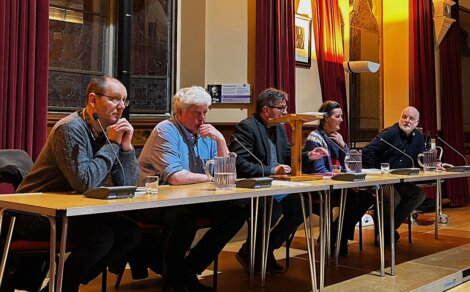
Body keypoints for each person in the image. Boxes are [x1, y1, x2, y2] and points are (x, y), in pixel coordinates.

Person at [15, 76, 142, 291]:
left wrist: (127, 149)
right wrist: (112, 144)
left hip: (74, 210)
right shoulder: (70, 128)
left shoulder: (108, 131)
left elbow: (128, 186)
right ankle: (64, 286)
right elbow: (84, 182)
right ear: (93, 99)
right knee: (101, 237)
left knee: (131, 232)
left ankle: (60, 285)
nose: (121, 107)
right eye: (114, 99)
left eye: (124, 101)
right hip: (35, 213)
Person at [137, 86, 246, 292]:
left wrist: (221, 140)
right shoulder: (165, 130)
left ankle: (189, 269)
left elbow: (229, 177)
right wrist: (212, 177)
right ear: (180, 113)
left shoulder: (207, 134)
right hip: (155, 200)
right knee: (184, 220)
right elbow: (176, 178)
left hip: (192, 199)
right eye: (197, 113)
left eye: (205, 112)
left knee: (237, 211)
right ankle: (174, 282)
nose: (203, 119)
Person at [229, 88, 328, 273]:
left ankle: (264, 249)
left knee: (302, 207)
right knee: (271, 208)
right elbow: (240, 162)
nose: (285, 112)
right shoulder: (247, 127)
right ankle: (256, 253)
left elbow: (288, 155)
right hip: (255, 187)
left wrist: (308, 156)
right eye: (281, 108)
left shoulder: (280, 127)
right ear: (267, 110)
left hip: (278, 185)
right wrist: (271, 170)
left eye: (285, 107)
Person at [302, 100, 375, 255]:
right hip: (320, 188)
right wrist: (345, 180)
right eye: (338, 116)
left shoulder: (336, 137)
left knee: (367, 197)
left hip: (338, 186)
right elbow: (320, 171)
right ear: (326, 118)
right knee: (353, 199)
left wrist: (343, 147)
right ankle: (338, 238)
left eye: (342, 116)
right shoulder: (314, 139)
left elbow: (353, 165)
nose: (341, 119)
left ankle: (335, 235)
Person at [362, 106, 427, 242]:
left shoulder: (419, 138)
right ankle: (386, 232)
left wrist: (435, 164)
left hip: (401, 180)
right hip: (383, 179)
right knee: (393, 198)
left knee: (418, 195)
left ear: (417, 123)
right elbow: (368, 151)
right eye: (404, 116)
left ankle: (388, 228)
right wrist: (373, 173)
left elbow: (422, 158)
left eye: (411, 118)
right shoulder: (390, 133)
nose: (407, 120)